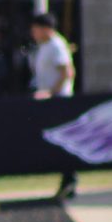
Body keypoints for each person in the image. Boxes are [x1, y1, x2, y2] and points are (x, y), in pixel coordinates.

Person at [28, 12, 78, 200]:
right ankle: (67, 181)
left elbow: (67, 72)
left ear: (45, 28)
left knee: (63, 141)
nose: (33, 32)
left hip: (60, 100)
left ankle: (69, 180)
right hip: (50, 100)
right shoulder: (45, 46)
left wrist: (51, 92)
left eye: (36, 28)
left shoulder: (56, 45)